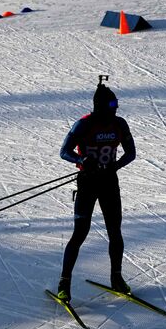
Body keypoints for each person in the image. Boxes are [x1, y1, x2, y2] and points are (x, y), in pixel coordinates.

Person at [57, 77, 136, 302]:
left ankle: (117, 278)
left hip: (109, 183)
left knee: (115, 231)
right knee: (80, 233)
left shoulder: (120, 124)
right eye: (111, 105)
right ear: (100, 106)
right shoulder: (84, 124)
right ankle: (64, 282)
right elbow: (64, 151)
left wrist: (116, 164)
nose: (115, 109)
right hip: (88, 183)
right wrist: (83, 159)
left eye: (116, 105)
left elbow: (131, 153)